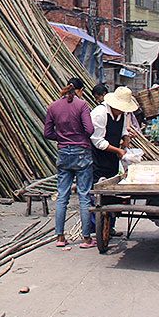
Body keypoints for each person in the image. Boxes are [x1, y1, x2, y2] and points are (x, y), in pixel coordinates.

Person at [44, 77, 95, 249]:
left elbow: (47, 132)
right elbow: (90, 130)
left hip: (63, 153)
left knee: (62, 196)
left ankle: (60, 237)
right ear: (79, 90)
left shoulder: (53, 106)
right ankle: (86, 239)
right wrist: (78, 137)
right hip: (82, 152)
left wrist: (62, 137)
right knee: (84, 196)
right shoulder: (82, 105)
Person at [89, 84, 131, 182]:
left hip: (112, 159)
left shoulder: (122, 114)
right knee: (97, 186)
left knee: (112, 184)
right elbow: (98, 141)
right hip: (97, 159)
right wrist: (118, 151)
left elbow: (123, 130)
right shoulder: (100, 114)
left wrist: (125, 138)